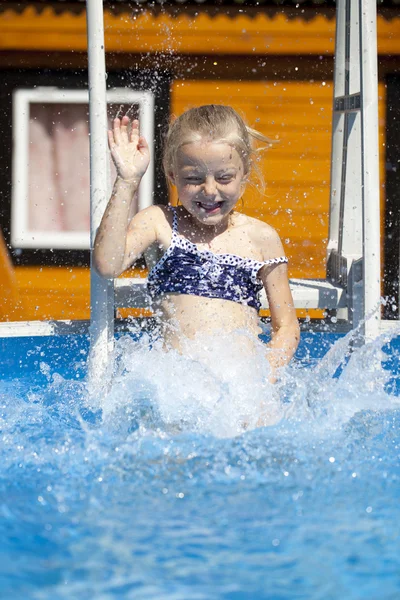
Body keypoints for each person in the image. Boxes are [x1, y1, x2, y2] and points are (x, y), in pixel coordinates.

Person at [93, 105, 300, 388]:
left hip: (242, 389)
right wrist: (128, 181)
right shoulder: (160, 222)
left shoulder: (261, 238)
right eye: (193, 178)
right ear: (172, 175)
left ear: (244, 173)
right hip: (177, 390)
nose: (210, 190)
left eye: (224, 177)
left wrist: (265, 378)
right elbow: (107, 264)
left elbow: (286, 326)